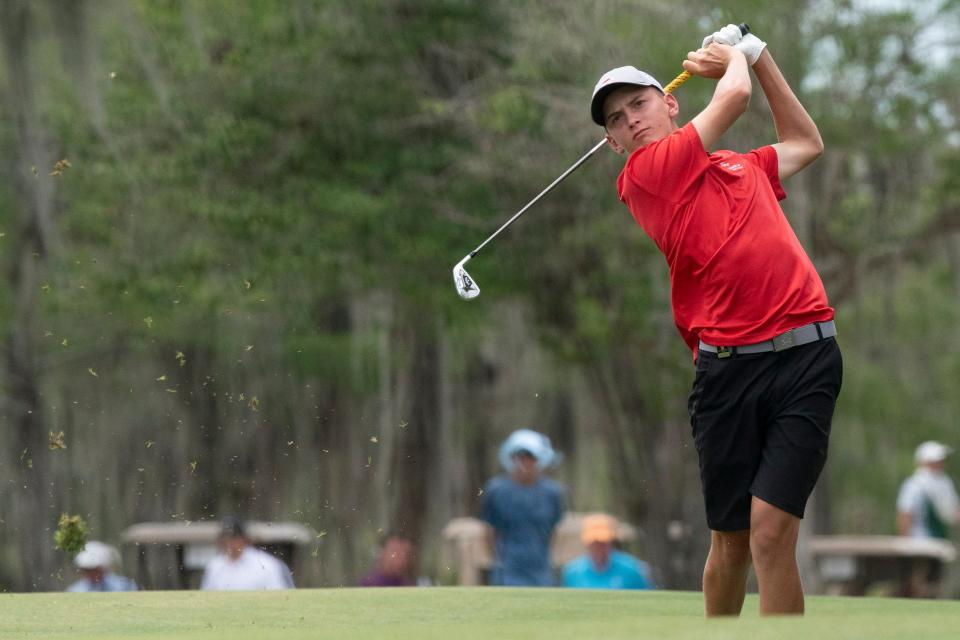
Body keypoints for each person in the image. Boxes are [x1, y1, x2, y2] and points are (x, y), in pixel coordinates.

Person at [589, 23, 843, 616]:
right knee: (731, 545)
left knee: (771, 533)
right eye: (616, 121)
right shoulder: (644, 177)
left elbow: (806, 142)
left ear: (669, 102)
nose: (630, 120)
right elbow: (732, 98)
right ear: (614, 144)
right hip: (727, 375)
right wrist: (735, 60)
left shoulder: (737, 167)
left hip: (807, 357)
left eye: (639, 104)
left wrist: (761, 57)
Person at [480, 429, 565, 586]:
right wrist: (497, 560)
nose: (524, 463)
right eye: (519, 457)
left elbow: (554, 530)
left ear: (538, 459)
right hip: (507, 570)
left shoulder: (553, 492)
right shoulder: (496, 490)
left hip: (541, 570)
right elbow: (490, 531)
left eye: (529, 457)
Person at [200, 516, 294, 590]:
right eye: (226, 538)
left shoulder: (267, 564)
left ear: (244, 538)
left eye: (234, 538)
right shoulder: (214, 566)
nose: (230, 542)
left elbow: (281, 596)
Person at [562, 514, 653, 590]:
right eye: (595, 543)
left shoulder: (631, 569)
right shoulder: (572, 572)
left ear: (611, 542)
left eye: (603, 543)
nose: (599, 548)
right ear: (587, 544)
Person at [897, 441, 960, 539]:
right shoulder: (914, 485)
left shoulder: (944, 482)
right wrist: (905, 540)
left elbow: (953, 513)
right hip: (919, 541)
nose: (940, 464)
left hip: (939, 540)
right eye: (937, 461)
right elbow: (905, 514)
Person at [66, 540, 138, 592]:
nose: (91, 573)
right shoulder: (75, 590)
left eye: (95, 569)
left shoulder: (125, 586)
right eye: (87, 570)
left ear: (104, 567)